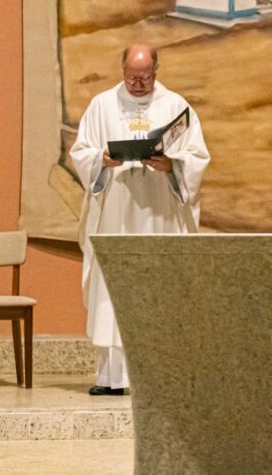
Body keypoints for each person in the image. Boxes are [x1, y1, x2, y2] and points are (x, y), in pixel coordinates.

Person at [69, 44, 210, 395]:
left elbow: (196, 156)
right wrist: (102, 159)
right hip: (116, 215)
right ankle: (111, 378)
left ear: (156, 72)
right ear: (122, 71)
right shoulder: (102, 105)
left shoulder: (177, 107)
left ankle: (159, 378)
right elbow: (81, 152)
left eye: (145, 77)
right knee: (113, 292)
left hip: (157, 215)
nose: (138, 84)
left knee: (157, 292)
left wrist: (171, 164)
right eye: (132, 77)